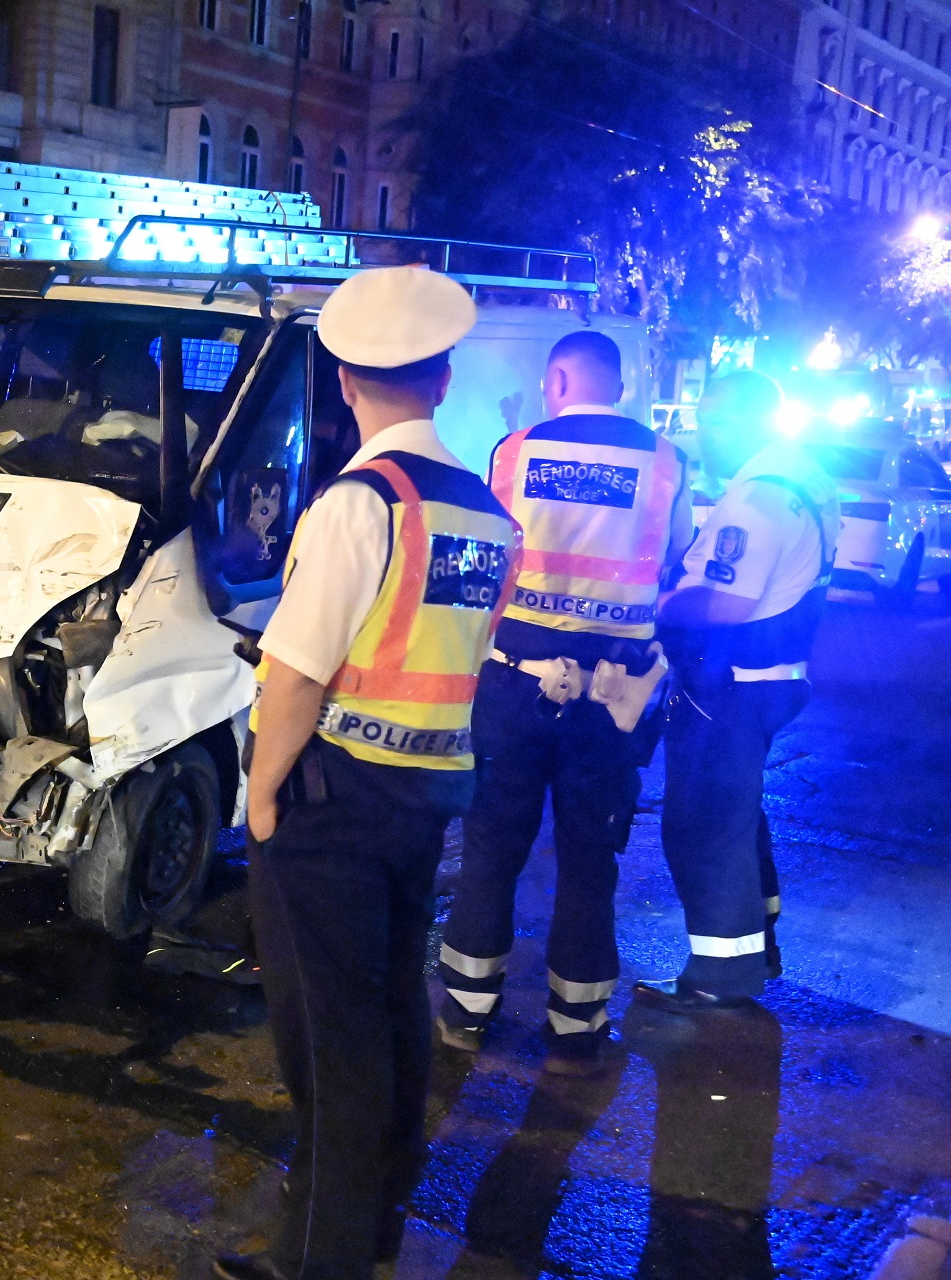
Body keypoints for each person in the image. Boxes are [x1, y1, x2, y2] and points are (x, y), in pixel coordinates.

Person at [221, 267, 520, 1280]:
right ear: (443, 380)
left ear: (346, 382)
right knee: (390, 1021)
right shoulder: (483, 513)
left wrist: (262, 798)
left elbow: (297, 673)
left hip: (333, 803)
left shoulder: (362, 504)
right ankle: (352, 1241)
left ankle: (325, 1263)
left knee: (329, 1052)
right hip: (422, 799)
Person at [434, 331, 692, 1075]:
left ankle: (467, 1008)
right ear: (620, 387)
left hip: (515, 682)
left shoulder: (514, 451)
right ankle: (577, 1022)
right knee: (589, 857)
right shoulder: (665, 461)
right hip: (612, 698)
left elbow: (485, 552)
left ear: (557, 380)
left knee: (491, 847)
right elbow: (673, 554)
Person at [637, 371, 837, 1010]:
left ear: (753, 420)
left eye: (717, 419)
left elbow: (726, 603)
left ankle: (718, 978)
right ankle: (757, 946)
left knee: (703, 826)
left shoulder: (758, 499)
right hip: (769, 681)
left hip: (730, 689)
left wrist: (659, 605)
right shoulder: (803, 477)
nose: (704, 432)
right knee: (737, 816)